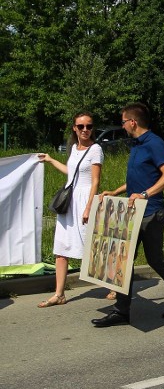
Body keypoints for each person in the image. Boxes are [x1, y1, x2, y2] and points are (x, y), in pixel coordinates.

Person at [91, 103, 164, 327]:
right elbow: (140, 178)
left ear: (133, 122)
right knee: (122, 260)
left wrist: (145, 194)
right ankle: (121, 312)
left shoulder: (154, 143)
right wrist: (115, 191)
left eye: (123, 122)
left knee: (155, 259)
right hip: (132, 212)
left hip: (152, 212)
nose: (122, 126)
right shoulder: (136, 145)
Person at [37, 112, 103, 308]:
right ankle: (59, 294)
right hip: (69, 201)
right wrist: (50, 160)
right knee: (61, 248)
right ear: (74, 128)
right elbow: (70, 173)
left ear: (93, 128)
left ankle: (114, 285)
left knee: (91, 247)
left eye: (89, 126)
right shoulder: (74, 148)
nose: (85, 130)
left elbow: (95, 181)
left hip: (84, 200)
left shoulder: (96, 149)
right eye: (80, 126)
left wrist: (89, 207)